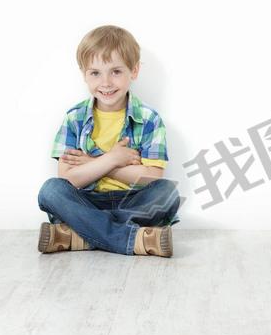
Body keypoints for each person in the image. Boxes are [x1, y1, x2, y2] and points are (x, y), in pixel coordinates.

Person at [37, 25, 180, 257]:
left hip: (132, 201)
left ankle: (81, 234)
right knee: (51, 190)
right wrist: (113, 159)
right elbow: (68, 178)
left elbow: (152, 177)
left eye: (115, 71)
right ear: (84, 74)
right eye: (95, 73)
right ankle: (132, 238)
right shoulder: (75, 118)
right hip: (86, 201)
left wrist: (92, 163)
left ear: (133, 71)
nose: (106, 82)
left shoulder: (148, 118)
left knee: (167, 193)